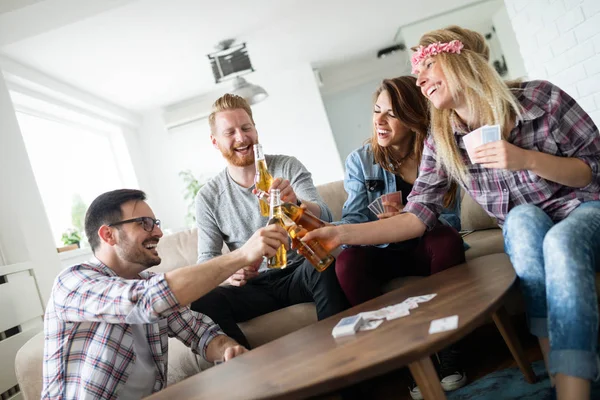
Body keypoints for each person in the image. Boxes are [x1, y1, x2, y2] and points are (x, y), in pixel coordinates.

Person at [304, 25, 600, 400]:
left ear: (457, 60)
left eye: (427, 65)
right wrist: (339, 234)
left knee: (558, 241)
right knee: (522, 221)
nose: (419, 77)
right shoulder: (442, 139)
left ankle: (572, 390)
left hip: (584, 210)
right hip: (529, 222)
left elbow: (593, 169)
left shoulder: (541, 98)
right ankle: (564, 379)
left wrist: (525, 159)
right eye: (417, 70)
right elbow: (416, 218)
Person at [42, 189, 289, 399]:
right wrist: (241, 255)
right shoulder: (73, 282)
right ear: (109, 235)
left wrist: (227, 349)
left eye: (156, 223)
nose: (158, 233)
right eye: (145, 223)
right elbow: (147, 301)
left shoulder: (148, 283)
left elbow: (201, 333)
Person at [335, 76, 466, 399]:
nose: (379, 120)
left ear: (412, 116)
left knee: (447, 239)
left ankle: (447, 350)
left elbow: (452, 217)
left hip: (426, 245)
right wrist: (381, 230)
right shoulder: (360, 160)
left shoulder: (437, 151)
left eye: (391, 114)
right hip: (383, 251)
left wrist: (411, 218)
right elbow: (353, 221)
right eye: (377, 110)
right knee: (347, 262)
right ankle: (407, 359)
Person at [190, 93, 349, 350]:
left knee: (327, 264)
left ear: (255, 130)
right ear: (215, 141)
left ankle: (345, 364)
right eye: (229, 132)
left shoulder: (287, 166)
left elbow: (326, 218)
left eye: (246, 128)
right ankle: (255, 376)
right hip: (254, 287)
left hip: (300, 271)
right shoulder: (208, 196)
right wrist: (231, 271)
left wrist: (296, 205)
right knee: (203, 301)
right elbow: (206, 260)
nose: (241, 138)